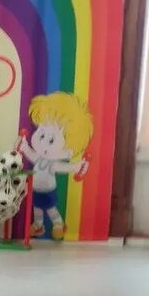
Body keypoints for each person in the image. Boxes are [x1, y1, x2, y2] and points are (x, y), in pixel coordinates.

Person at [18, 91, 94, 241]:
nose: (43, 143)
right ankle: (38, 225)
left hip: (48, 191)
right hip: (36, 189)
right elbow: (30, 154)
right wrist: (24, 146)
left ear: (69, 149)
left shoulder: (52, 164)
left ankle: (58, 223)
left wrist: (77, 166)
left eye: (51, 140)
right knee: (37, 209)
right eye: (41, 134)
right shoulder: (39, 157)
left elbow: (65, 168)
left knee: (51, 209)